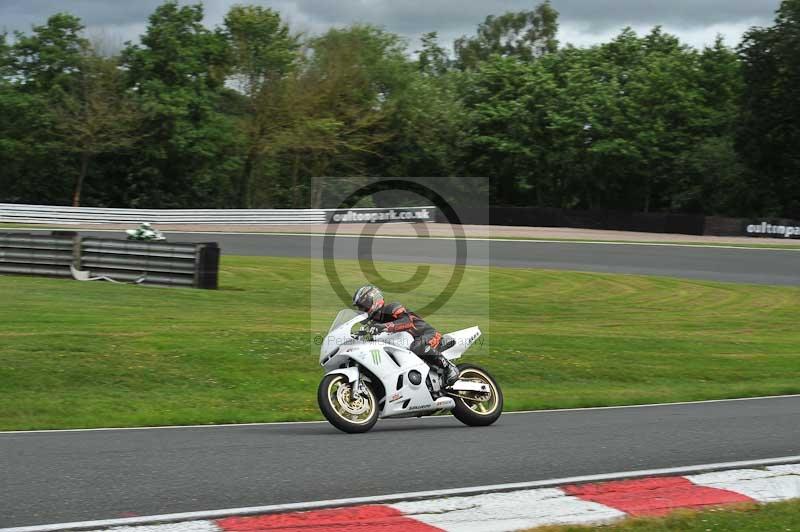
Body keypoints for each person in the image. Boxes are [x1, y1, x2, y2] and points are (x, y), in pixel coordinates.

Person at [352, 284, 460, 385]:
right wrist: (355, 336)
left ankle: (449, 368)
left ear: (374, 301)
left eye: (363, 307)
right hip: (406, 342)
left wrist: (384, 327)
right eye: (360, 308)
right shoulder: (374, 322)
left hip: (425, 334)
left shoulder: (391, 308)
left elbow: (407, 322)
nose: (362, 310)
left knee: (417, 347)